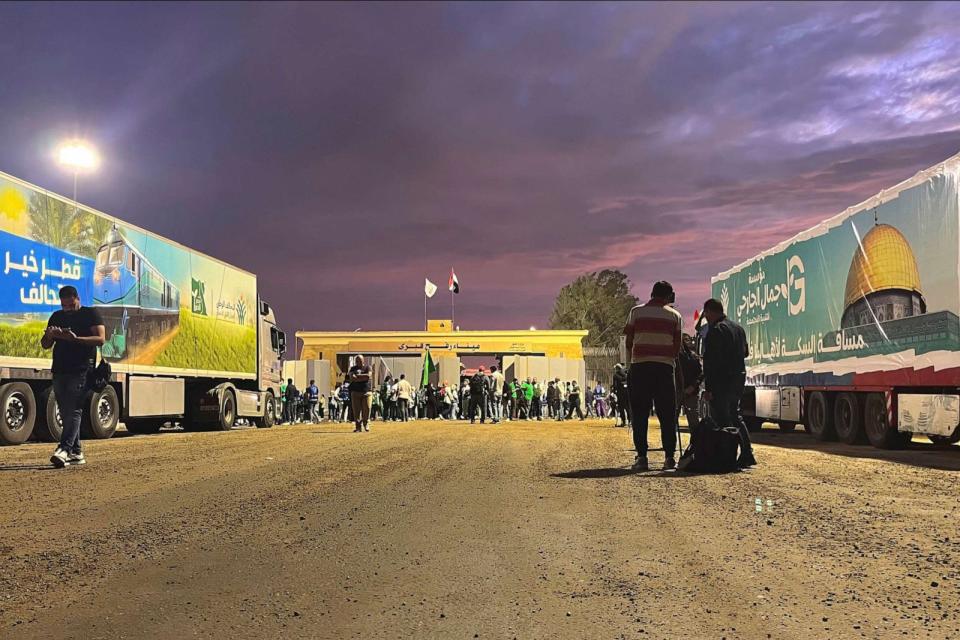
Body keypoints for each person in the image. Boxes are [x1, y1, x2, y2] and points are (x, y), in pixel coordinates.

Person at [41, 286, 105, 468]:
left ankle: (64, 449)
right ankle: (76, 452)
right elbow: (45, 345)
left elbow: (101, 339)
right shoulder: (56, 316)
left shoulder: (90, 314)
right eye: (64, 305)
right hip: (60, 369)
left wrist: (75, 339)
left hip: (82, 369)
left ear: (77, 298)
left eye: (70, 304)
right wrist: (49, 335)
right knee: (65, 410)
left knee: (75, 408)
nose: (67, 309)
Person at [624, 280, 683, 471]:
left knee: (640, 414)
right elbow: (677, 345)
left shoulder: (636, 312)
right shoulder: (675, 316)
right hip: (664, 369)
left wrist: (632, 361)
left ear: (651, 294)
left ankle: (642, 457)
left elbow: (629, 340)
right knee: (667, 414)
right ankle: (669, 457)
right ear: (668, 296)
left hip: (640, 367)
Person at [701, 298, 756, 468]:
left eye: (706, 315)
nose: (706, 318)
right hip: (738, 378)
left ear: (710, 311)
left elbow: (711, 363)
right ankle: (747, 453)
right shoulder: (738, 328)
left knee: (723, 418)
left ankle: (727, 455)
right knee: (735, 415)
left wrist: (709, 389)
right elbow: (746, 352)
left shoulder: (715, 330)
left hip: (721, 381)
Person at [677, 334, 703, 437]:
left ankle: (696, 445)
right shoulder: (675, 357)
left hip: (689, 392)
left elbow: (700, 374)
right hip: (679, 391)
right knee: (672, 420)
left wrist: (692, 386)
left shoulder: (693, 357)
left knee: (693, 421)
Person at [348, 355, 373, 432]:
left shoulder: (368, 367)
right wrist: (363, 378)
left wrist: (358, 376)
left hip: (367, 392)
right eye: (357, 360)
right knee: (356, 411)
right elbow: (352, 378)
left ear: (363, 361)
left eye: (360, 360)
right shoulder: (352, 368)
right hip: (355, 392)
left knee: (367, 408)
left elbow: (368, 376)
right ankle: (358, 427)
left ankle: (366, 423)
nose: (358, 362)